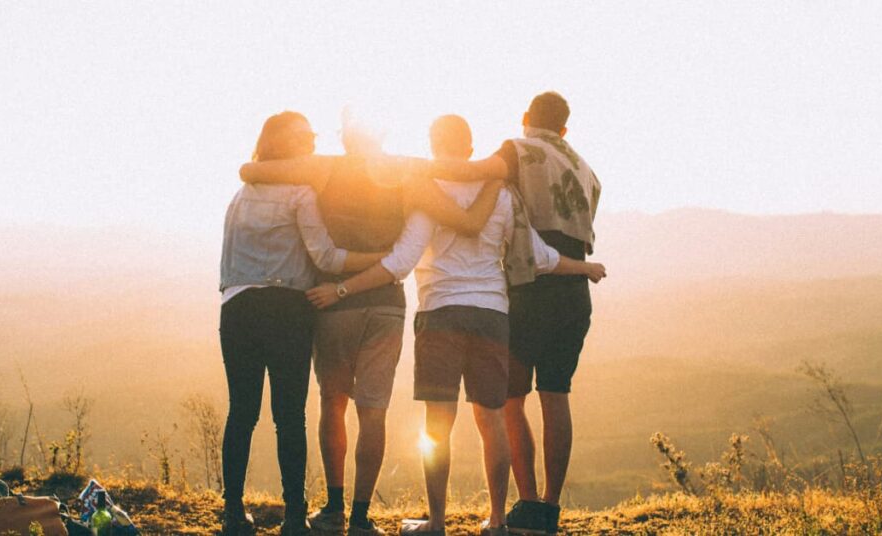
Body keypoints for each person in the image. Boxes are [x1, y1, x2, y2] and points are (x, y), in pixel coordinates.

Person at [306, 115, 606, 536]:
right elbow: (538, 255)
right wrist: (584, 267)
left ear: (433, 145)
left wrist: (342, 289)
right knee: (493, 420)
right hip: (492, 315)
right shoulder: (501, 193)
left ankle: (438, 522)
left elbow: (401, 261)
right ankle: (498, 521)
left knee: (438, 424)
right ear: (470, 149)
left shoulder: (428, 192)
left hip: (441, 312)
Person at [238, 115, 502, 536]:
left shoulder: (324, 167)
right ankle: (362, 518)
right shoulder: (407, 170)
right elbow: (464, 196)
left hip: (333, 302)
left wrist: (251, 168)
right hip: (386, 304)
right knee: (373, 411)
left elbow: (253, 170)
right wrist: (496, 172)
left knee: (333, 404)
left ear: (344, 137)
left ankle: (334, 510)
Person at [433, 92, 603, 535]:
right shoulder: (586, 169)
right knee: (556, 394)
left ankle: (526, 503)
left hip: (531, 286)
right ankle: (550, 506)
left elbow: (470, 171)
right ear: (564, 128)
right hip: (574, 290)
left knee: (510, 399)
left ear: (526, 118)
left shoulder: (518, 149)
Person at [218, 111, 388, 536]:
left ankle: (234, 514)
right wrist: (382, 260)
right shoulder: (300, 193)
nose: (312, 142)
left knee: (241, 412)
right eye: (305, 137)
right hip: (287, 310)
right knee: (289, 415)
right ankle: (295, 515)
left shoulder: (241, 195)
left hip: (237, 307)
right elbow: (327, 258)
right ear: (286, 145)